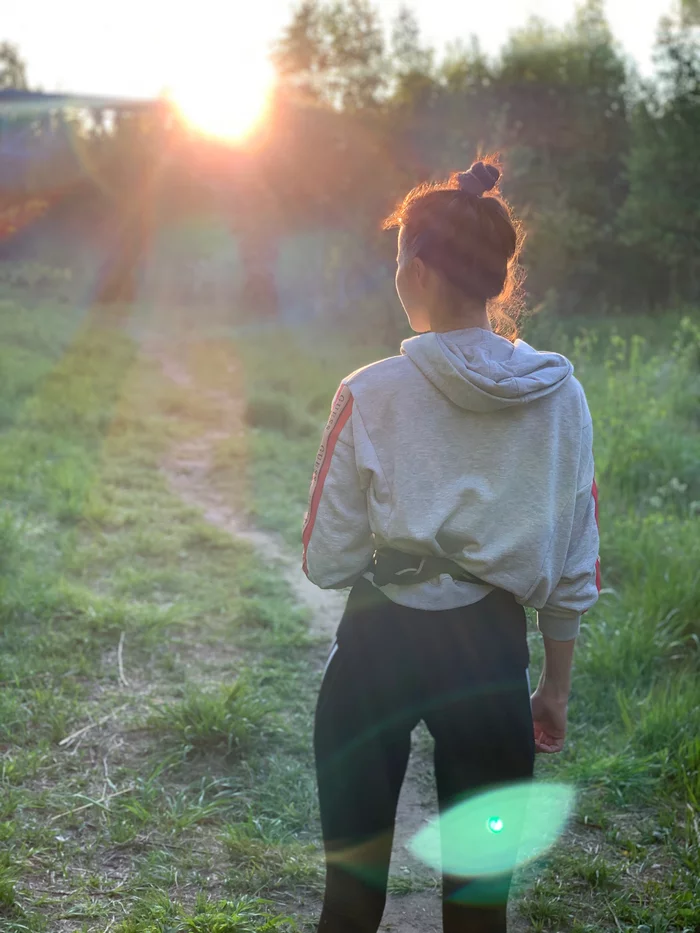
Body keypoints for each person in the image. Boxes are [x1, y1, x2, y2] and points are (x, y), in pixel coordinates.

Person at [302, 159, 600, 933]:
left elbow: (327, 560)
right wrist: (554, 691)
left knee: (352, 898)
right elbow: (574, 565)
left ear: (421, 269)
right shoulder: (562, 399)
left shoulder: (367, 392)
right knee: (478, 910)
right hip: (491, 657)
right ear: (496, 276)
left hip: (377, 646)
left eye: (400, 257)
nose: (397, 272)